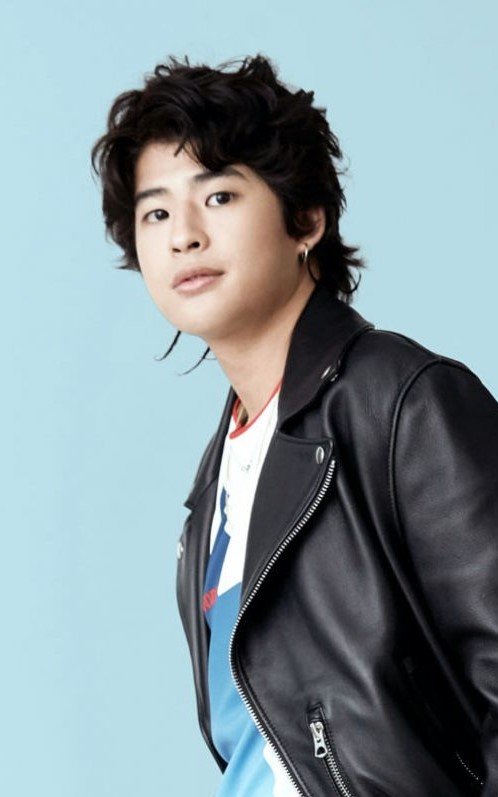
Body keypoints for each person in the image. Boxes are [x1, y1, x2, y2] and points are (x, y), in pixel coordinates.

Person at [90, 53, 498, 796]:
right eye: (156, 212)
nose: (183, 235)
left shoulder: (401, 404)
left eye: (218, 196)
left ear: (306, 218)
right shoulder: (213, 488)